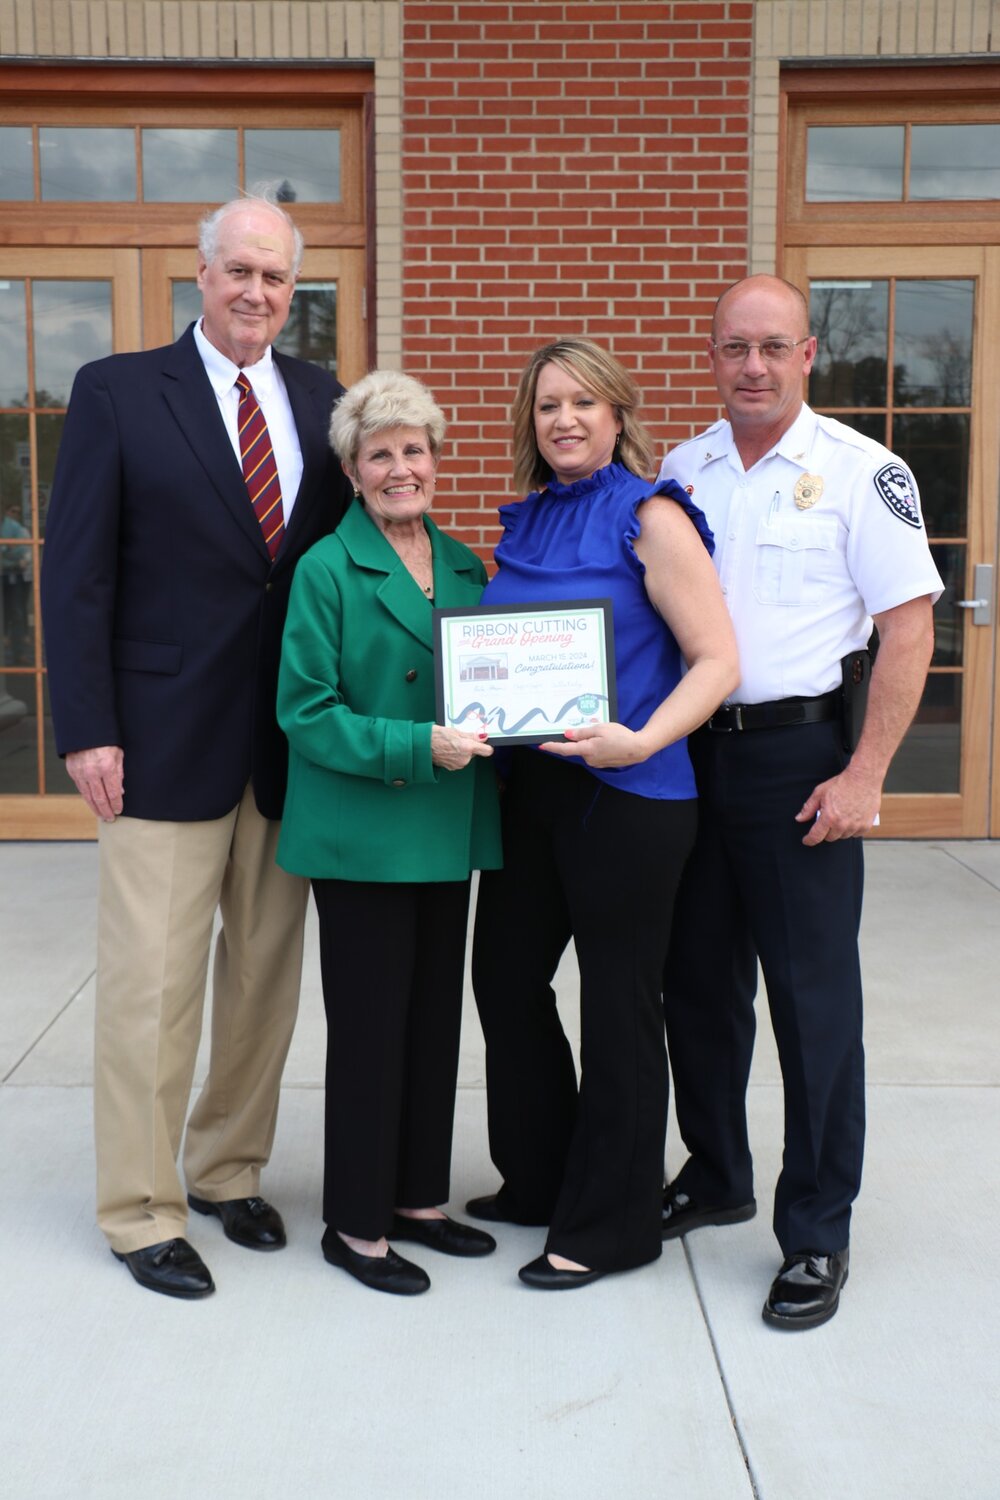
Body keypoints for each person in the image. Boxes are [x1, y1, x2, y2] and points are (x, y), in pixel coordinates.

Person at [41, 190, 351, 1300]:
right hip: (158, 745)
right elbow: (76, 575)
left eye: (275, 278)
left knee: (265, 979)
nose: (256, 293)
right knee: (152, 987)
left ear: (290, 289)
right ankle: (139, 1207)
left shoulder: (325, 402)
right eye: (238, 273)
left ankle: (228, 1169)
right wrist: (88, 729)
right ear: (202, 274)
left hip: (285, 744)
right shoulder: (120, 391)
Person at [658, 274, 944, 1329]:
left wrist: (864, 774)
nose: (753, 366)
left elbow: (906, 630)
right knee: (696, 987)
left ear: (809, 353)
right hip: (693, 762)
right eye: (736, 346)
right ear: (712, 352)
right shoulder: (681, 470)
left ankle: (817, 1230)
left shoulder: (860, 473)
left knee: (813, 1010)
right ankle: (716, 1171)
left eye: (774, 347)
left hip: (799, 765)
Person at [466, 338, 739, 1289]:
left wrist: (644, 739)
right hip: (533, 788)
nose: (565, 420)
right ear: (529, 424)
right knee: (504, 980)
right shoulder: (530, 520)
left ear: (618, 415)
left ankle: (613, 1222)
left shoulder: (651, 515)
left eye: (583, 402)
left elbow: (717, 661)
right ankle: (542, 1178)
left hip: (630, 790)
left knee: (619, 1005)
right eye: (547, 406)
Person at [276, 370, 502, 1296]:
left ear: (435, 461)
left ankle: (418, 1200)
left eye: (415, 450)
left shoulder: (464, 564)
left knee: (432, 1024)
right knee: (370, 1030)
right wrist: (419, 743)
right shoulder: (327, 568)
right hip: (364, 831)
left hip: (446, 828)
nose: (401, 468)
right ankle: (356, 1225)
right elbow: (305, 711)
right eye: (381, 454)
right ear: (352, 469)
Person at [1, 503, 32, 666]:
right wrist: (7, 547)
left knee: (17, 612)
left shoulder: (14, 527)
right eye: (14, 511)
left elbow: (22, 549)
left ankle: (19, 652)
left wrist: (5, 549)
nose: (16, 514)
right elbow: (13, 549)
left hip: (11, 573)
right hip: (6, 571)